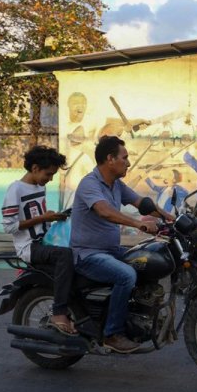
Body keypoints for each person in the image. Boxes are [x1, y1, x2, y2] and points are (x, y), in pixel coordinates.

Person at [70, 136, 173, 353]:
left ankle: (136, 318)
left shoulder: (116, 184)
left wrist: (169, 217)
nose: (128, 162)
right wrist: (138, 224)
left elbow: (142, 204)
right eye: (125, 158)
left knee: (144, 261)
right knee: (126, 275)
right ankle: (112, 334)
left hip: (110, 251)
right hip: (88, 254)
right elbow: (104, 210)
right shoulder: (90, 183)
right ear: (110, 159)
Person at [1, 146, 77, 335]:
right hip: (29, 247)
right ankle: (59, 313)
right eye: (48, 174)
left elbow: (37, 214)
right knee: (65, 256)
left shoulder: (39, 186)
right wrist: (44, 218)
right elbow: (8, 226)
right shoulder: (15, 189)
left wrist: (52, 216)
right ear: (35, 168)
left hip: (44, 241)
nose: (50, 179)